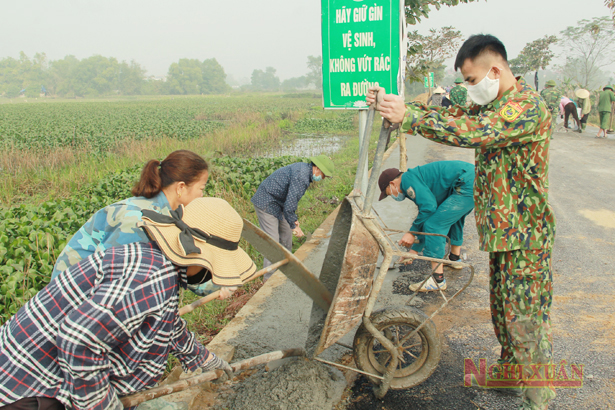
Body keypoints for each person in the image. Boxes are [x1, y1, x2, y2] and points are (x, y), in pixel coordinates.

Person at [366, 34, 556, 409]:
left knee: (525, 317)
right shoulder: (497, 106)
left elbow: (475, 131)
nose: (469, 89)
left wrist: (413, 117)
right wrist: (400, 108)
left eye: (471, 80)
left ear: (496, 69)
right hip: (505, 234)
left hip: (525, 234)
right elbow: (456, 116)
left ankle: (539, 396)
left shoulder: (524, 107)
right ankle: (509, 375)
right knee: (503, 312)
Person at [0, 197, 256, 410]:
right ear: (199, 255)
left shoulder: (159, 264)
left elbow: (167, 322)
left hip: (45, 376)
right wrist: (103, 404)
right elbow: (78, 339)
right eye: (211, 268)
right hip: (31, 387)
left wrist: (202, 357)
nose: (209, 276)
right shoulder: (153, 275)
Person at [51, 150, 218, 297]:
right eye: (201, 189)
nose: (202, 196)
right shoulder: (139, 222)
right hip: (71, 296)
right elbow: (113, 281)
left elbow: (179, 266)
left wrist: (218, 284)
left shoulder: (165, 214)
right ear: (181, 187)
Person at [378, 161, 475, 292]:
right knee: (448, 218)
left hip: (466, 182)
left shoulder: (407, 181)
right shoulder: (414, 177)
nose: (392, 196)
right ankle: (454, 259)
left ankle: (437, 280)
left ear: (392, 183)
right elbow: (430, 212)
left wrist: (411, 233)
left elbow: (428, 209)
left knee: (434, 225)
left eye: (389, 193)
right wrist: (414, 250)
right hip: (471, 179)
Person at [251, 155, 334, 281]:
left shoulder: (305, 172)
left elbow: (291, 201)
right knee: (273, 242)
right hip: (266, 202)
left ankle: (284, 270)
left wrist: (293, 221)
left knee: (286, 237)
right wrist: (294, 225)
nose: (322, 178)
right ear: (317, 169)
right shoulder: (301, 176)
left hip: (279, 203)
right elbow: (290, 204)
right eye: (323, 175)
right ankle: (269, 280)